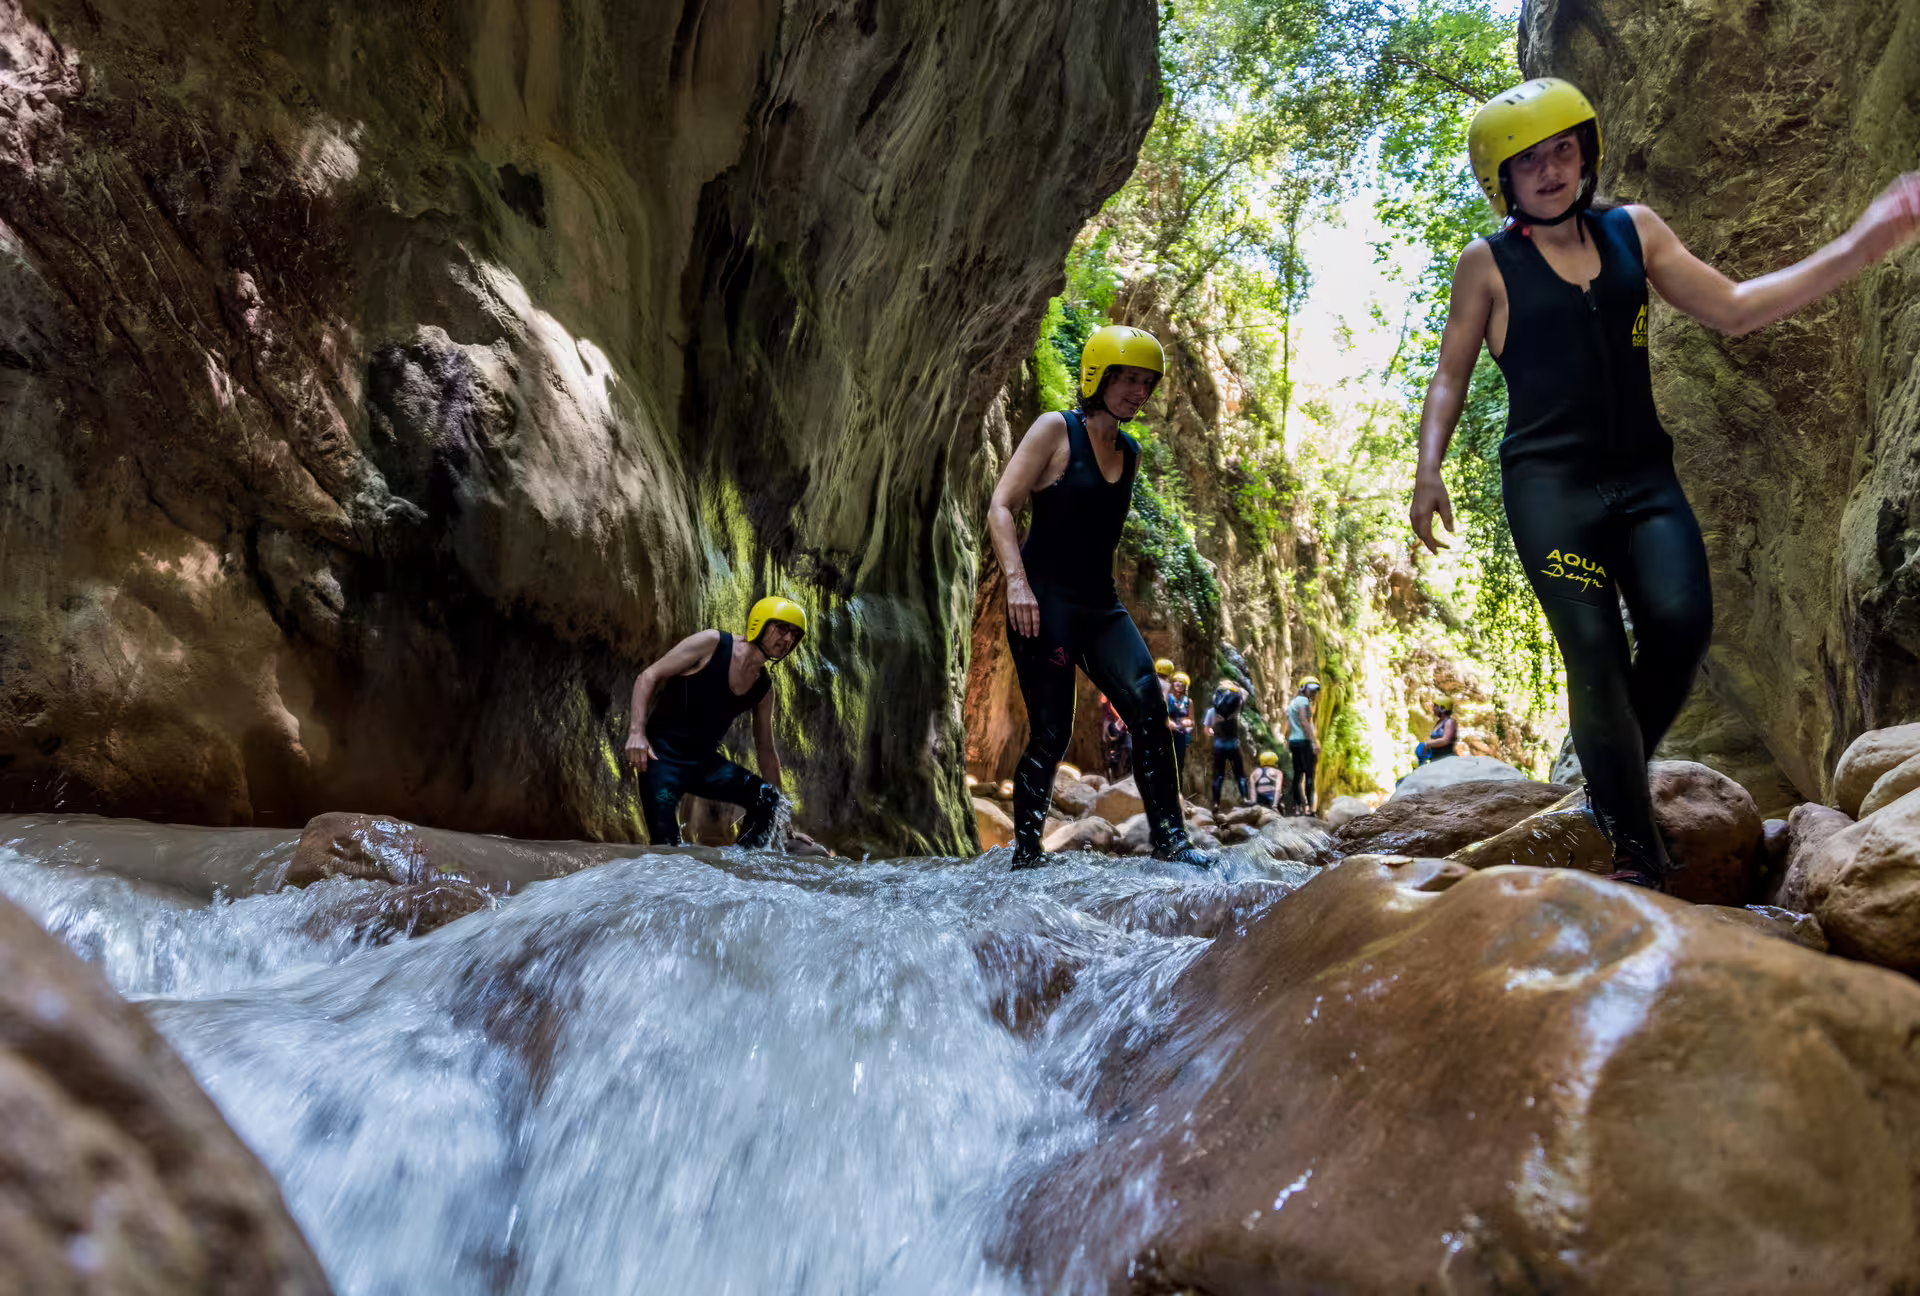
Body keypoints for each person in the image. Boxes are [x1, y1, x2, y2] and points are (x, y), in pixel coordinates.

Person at [1408, 77, 1920, 889]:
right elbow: (1448, 376)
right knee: (1597, 656)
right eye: (1529, 161)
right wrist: (1427, 468)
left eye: (1563, 150)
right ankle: (1636, 853)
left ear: (1588, 152)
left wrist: (1862, 243)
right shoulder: (1488, 264)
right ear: (1501, 179)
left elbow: (1739, 308)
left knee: (1682, 626)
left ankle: (1606, 791)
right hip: (1551, 493)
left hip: (1645, 479)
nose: (1549, 171)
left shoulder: (1633, 232)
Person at [986, 324, 1216, 869]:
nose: (1139, 392)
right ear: (1098, 376)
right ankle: (1026, 855)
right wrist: (1017, 584)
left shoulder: (1130, 453)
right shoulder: (1054, 430)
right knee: (1052, 729)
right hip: (1045, 604)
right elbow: (1001, 506)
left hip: (1100, 606)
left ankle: (1171, 842)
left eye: (1147, 383)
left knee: (1150, 707)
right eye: (1129, 379)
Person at [624, 596, 807, 848]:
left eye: (794, 635)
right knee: (666, 851)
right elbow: (648, 676)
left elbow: (766, 751)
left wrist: (784, 824)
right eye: (782, 628)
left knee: (768, 799)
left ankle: (742, 867)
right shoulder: (712, 643)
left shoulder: (764, 689)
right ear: (760, 623)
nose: (787, 639)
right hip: (661, 760)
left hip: (703, 765)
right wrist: (637, 733)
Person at [1204, 679, 1250, 813]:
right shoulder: (1236, 709)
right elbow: (1245, 693)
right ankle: (1245, 798)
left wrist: (1212, 732)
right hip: (1234, 745)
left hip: (1219, 745)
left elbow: (1207, 731)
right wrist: (1234, 686)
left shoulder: (1212, 712)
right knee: (1240, 774)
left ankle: (1216, 804)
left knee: (1219, 775)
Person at [1285, 679, 1320, 817]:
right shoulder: (1304, 702)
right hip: (1304, 741)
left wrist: (1287, 739)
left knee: (1297, 775)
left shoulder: (1293, 702)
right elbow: (1305, 722)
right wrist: (1313, 742)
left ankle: (1298, 807)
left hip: (1294, 741)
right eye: (1311, 689)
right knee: (1309, 774)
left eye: (1315, 690)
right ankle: (1310, 809)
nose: (1313, 692)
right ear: (1303, 688)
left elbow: (1289, 723)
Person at [1166, 671, 1195, 780]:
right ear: (1173, 683)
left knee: (1179, 765)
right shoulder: (1167, 698)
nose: (1179, 684)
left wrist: (1189, 722)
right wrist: (1168, 721)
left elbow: (1192, 721)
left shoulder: (1189, 701)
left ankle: (1177, 791)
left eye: (1182, 682)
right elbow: (1160, 714)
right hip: (1166, 734)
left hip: (1181, 735)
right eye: (1177, 681)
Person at [1099, 695, 1131, 781]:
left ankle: (1125, 774)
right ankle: (1114, 772)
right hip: (1113, 725)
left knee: (1128, 748)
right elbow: (1105, 702)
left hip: (1124, 728)